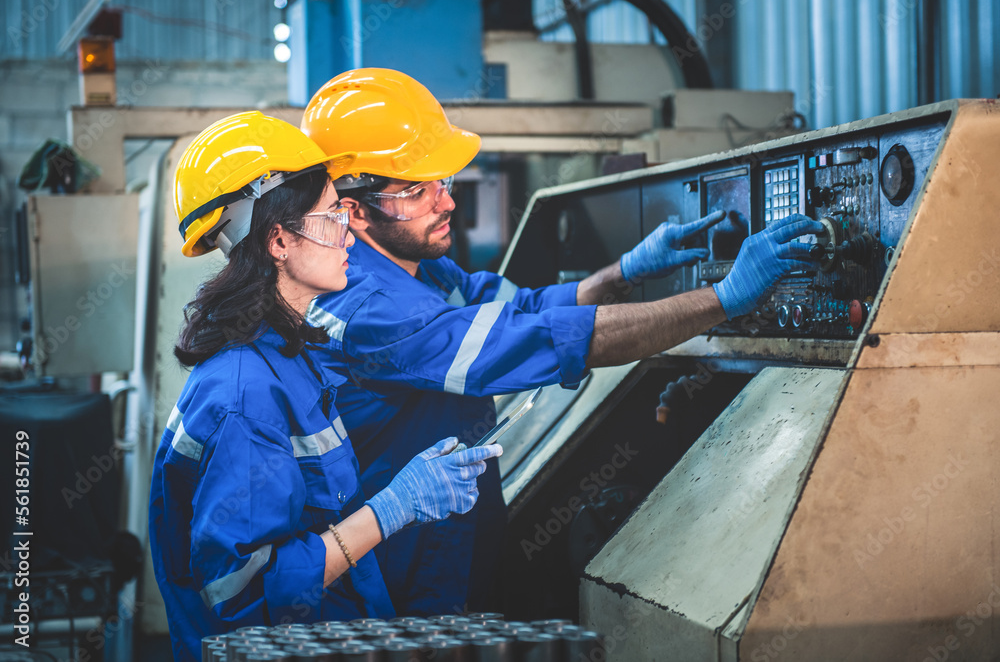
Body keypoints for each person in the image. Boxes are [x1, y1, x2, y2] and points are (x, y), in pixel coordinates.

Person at [299, 68, 823, 616]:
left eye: (444, 181)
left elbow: (514, 307)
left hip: (449, 546)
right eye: (416, 190)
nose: (446, 202)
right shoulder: (365, 304)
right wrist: (724, 299)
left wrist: (623, 270)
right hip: (401, 576)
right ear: (353, 209)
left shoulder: (413, 267)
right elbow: (532, 339)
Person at [147, 111, 501, 661]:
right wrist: (392, 510)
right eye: (331, 217)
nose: (348, 237)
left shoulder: (291, 356)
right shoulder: (246, 395)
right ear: (279, 240)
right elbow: (242, 595)